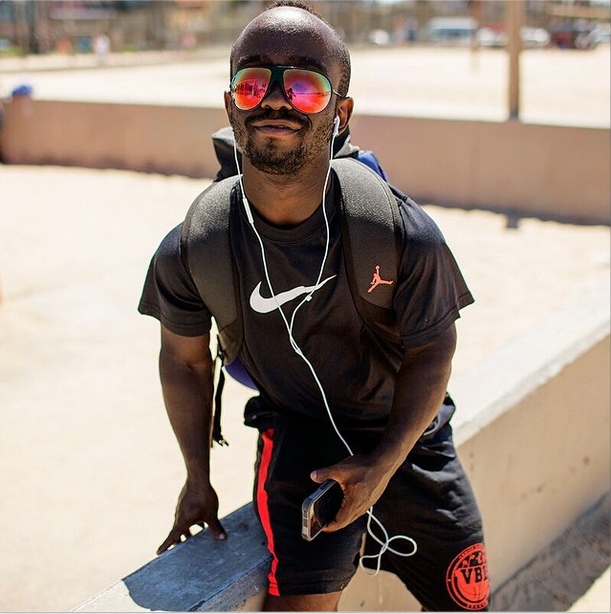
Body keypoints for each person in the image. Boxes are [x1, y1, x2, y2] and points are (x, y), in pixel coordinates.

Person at [138, 1, 490, 611]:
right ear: (231, 105)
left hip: (407, 433)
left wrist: (381, 466)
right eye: (253, 83)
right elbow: (185, 362)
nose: (275, 98)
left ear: (340, 110)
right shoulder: (197, 247)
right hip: (301, 439)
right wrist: (198, 478)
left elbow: (434, 348)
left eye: (304, 84)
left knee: (469, 601)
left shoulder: (400, 232)